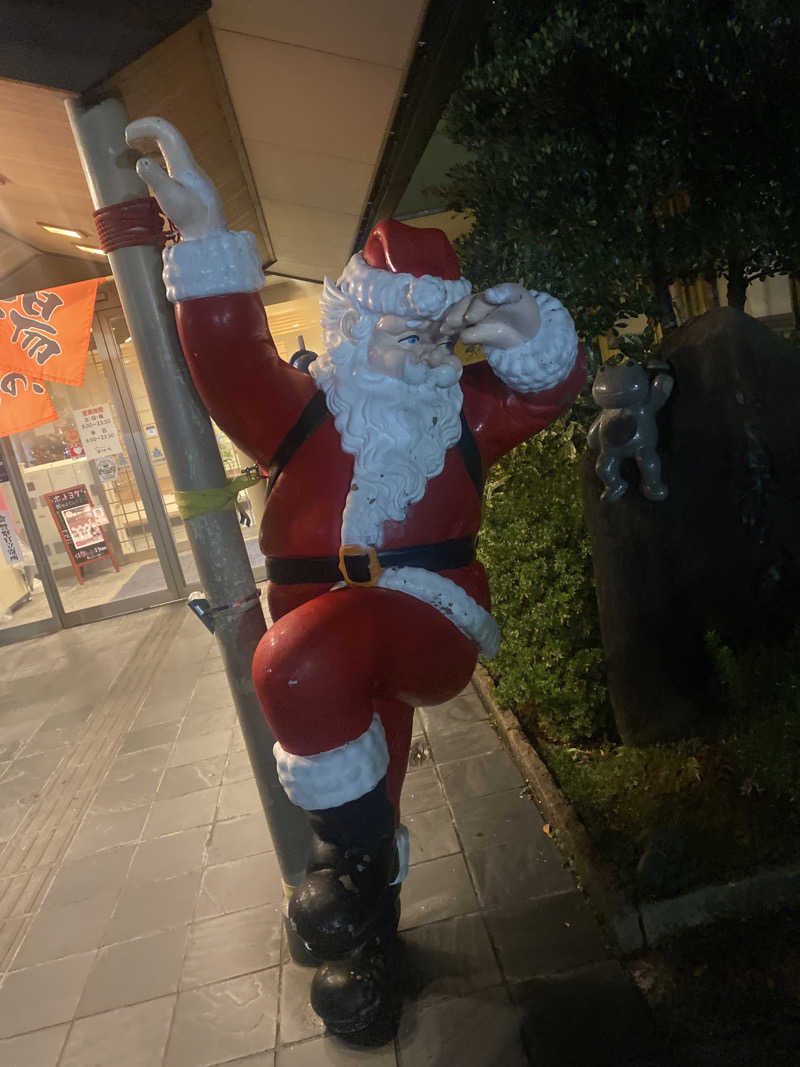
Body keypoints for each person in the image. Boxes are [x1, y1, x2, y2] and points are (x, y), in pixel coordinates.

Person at [127, 117, 586, 1035]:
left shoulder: (459, 418)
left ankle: (345, 868)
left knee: (295, 665)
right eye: (389, 330)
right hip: (333, 634)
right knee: (364, 777)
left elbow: (544, 388)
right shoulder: (304, 418)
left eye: (427, 338)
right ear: (349, 322)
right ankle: (364, 935)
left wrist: (518, 325)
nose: (406, 354)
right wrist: (204, 242)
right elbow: (229, 363)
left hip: (426, 615)